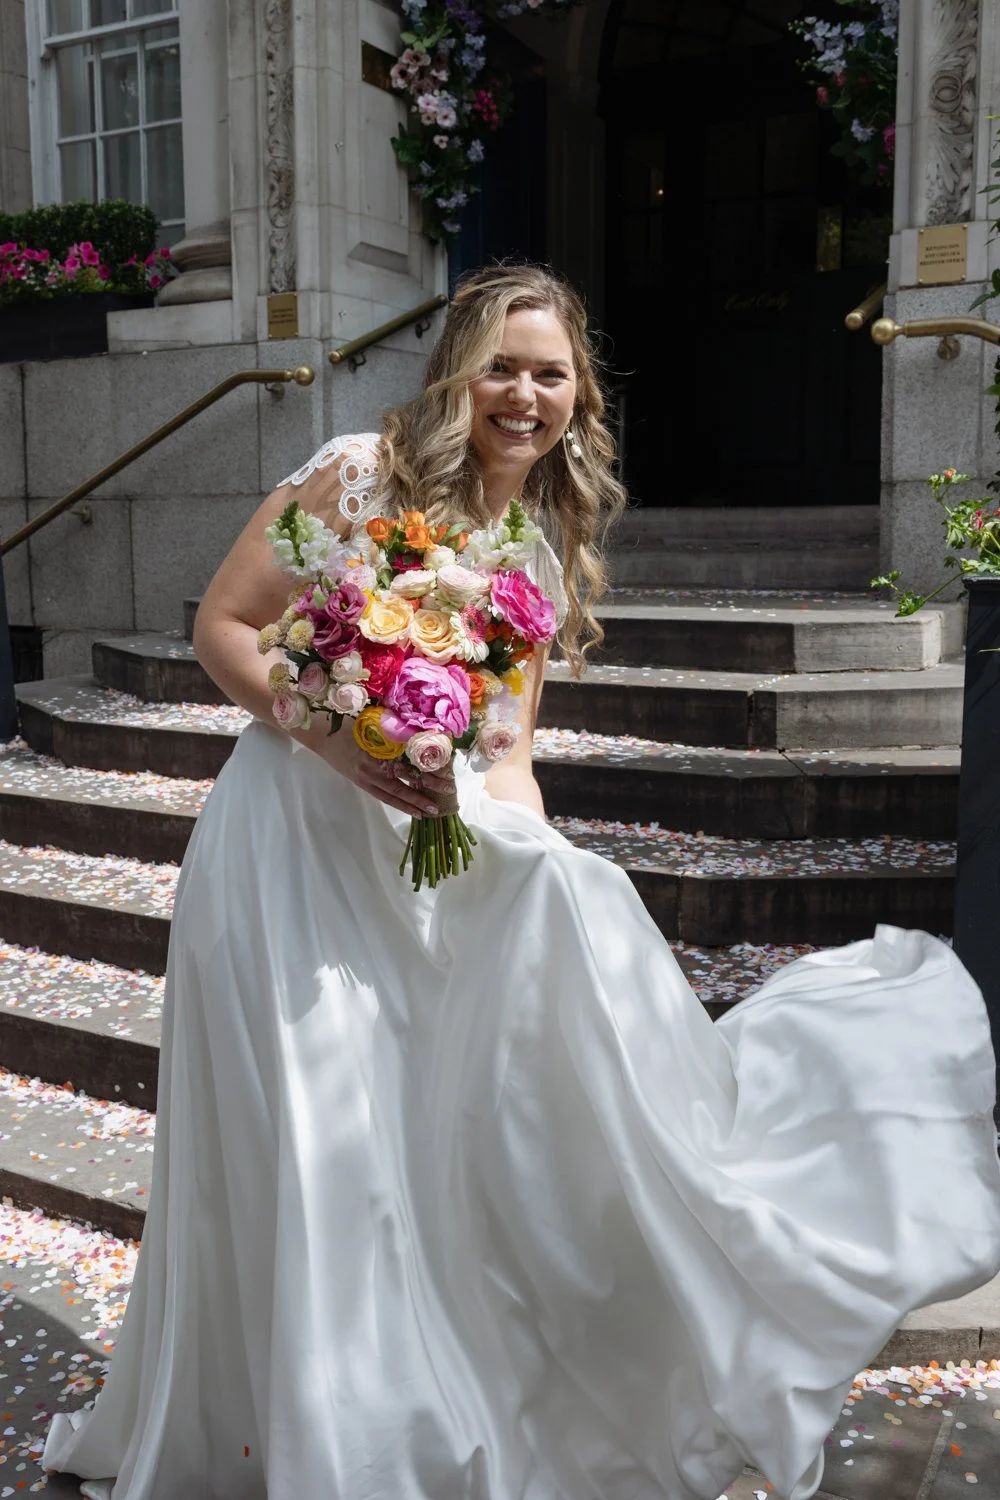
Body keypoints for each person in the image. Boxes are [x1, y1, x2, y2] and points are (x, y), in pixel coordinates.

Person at [42, 264, 1000, 1500]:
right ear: (457, 371)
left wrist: (527, 851)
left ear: (577, 398)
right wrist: (327, 728)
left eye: (550, 374)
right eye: (502, 364)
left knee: (412, 1143)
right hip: (288, 847)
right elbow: (227, 625)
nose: (523, 394)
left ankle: (396, 1413)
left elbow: (507, 751)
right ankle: (288, 1431)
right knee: (310, 1133)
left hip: (420, 860)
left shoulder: (534, 558)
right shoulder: (353, 474)